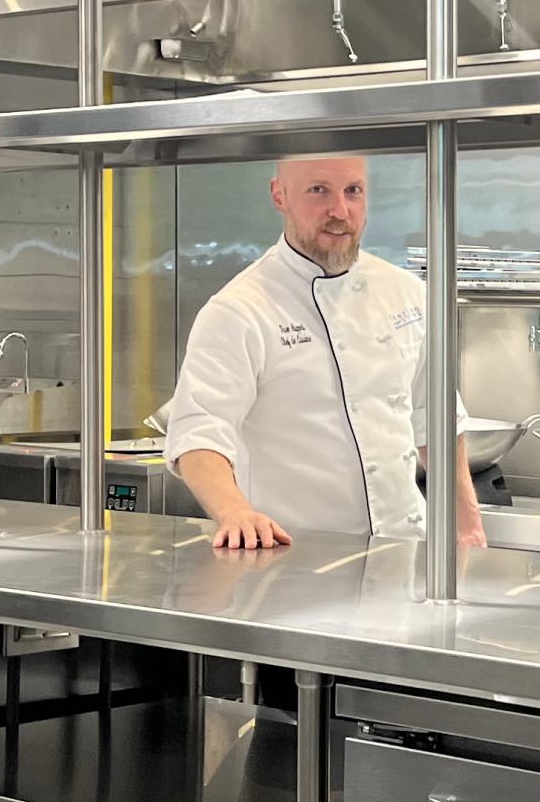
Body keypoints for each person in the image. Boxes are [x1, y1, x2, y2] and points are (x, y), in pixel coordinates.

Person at [161, 153, 486, 553]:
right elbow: (199, 432)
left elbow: (435, 420)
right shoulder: (239, 310)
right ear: (279, 195)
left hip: (404, 558)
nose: (340, 210)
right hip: (294, 563)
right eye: (319, 191)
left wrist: (467, 525)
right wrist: (235, 513)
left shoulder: (407, 292)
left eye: (353, 191)